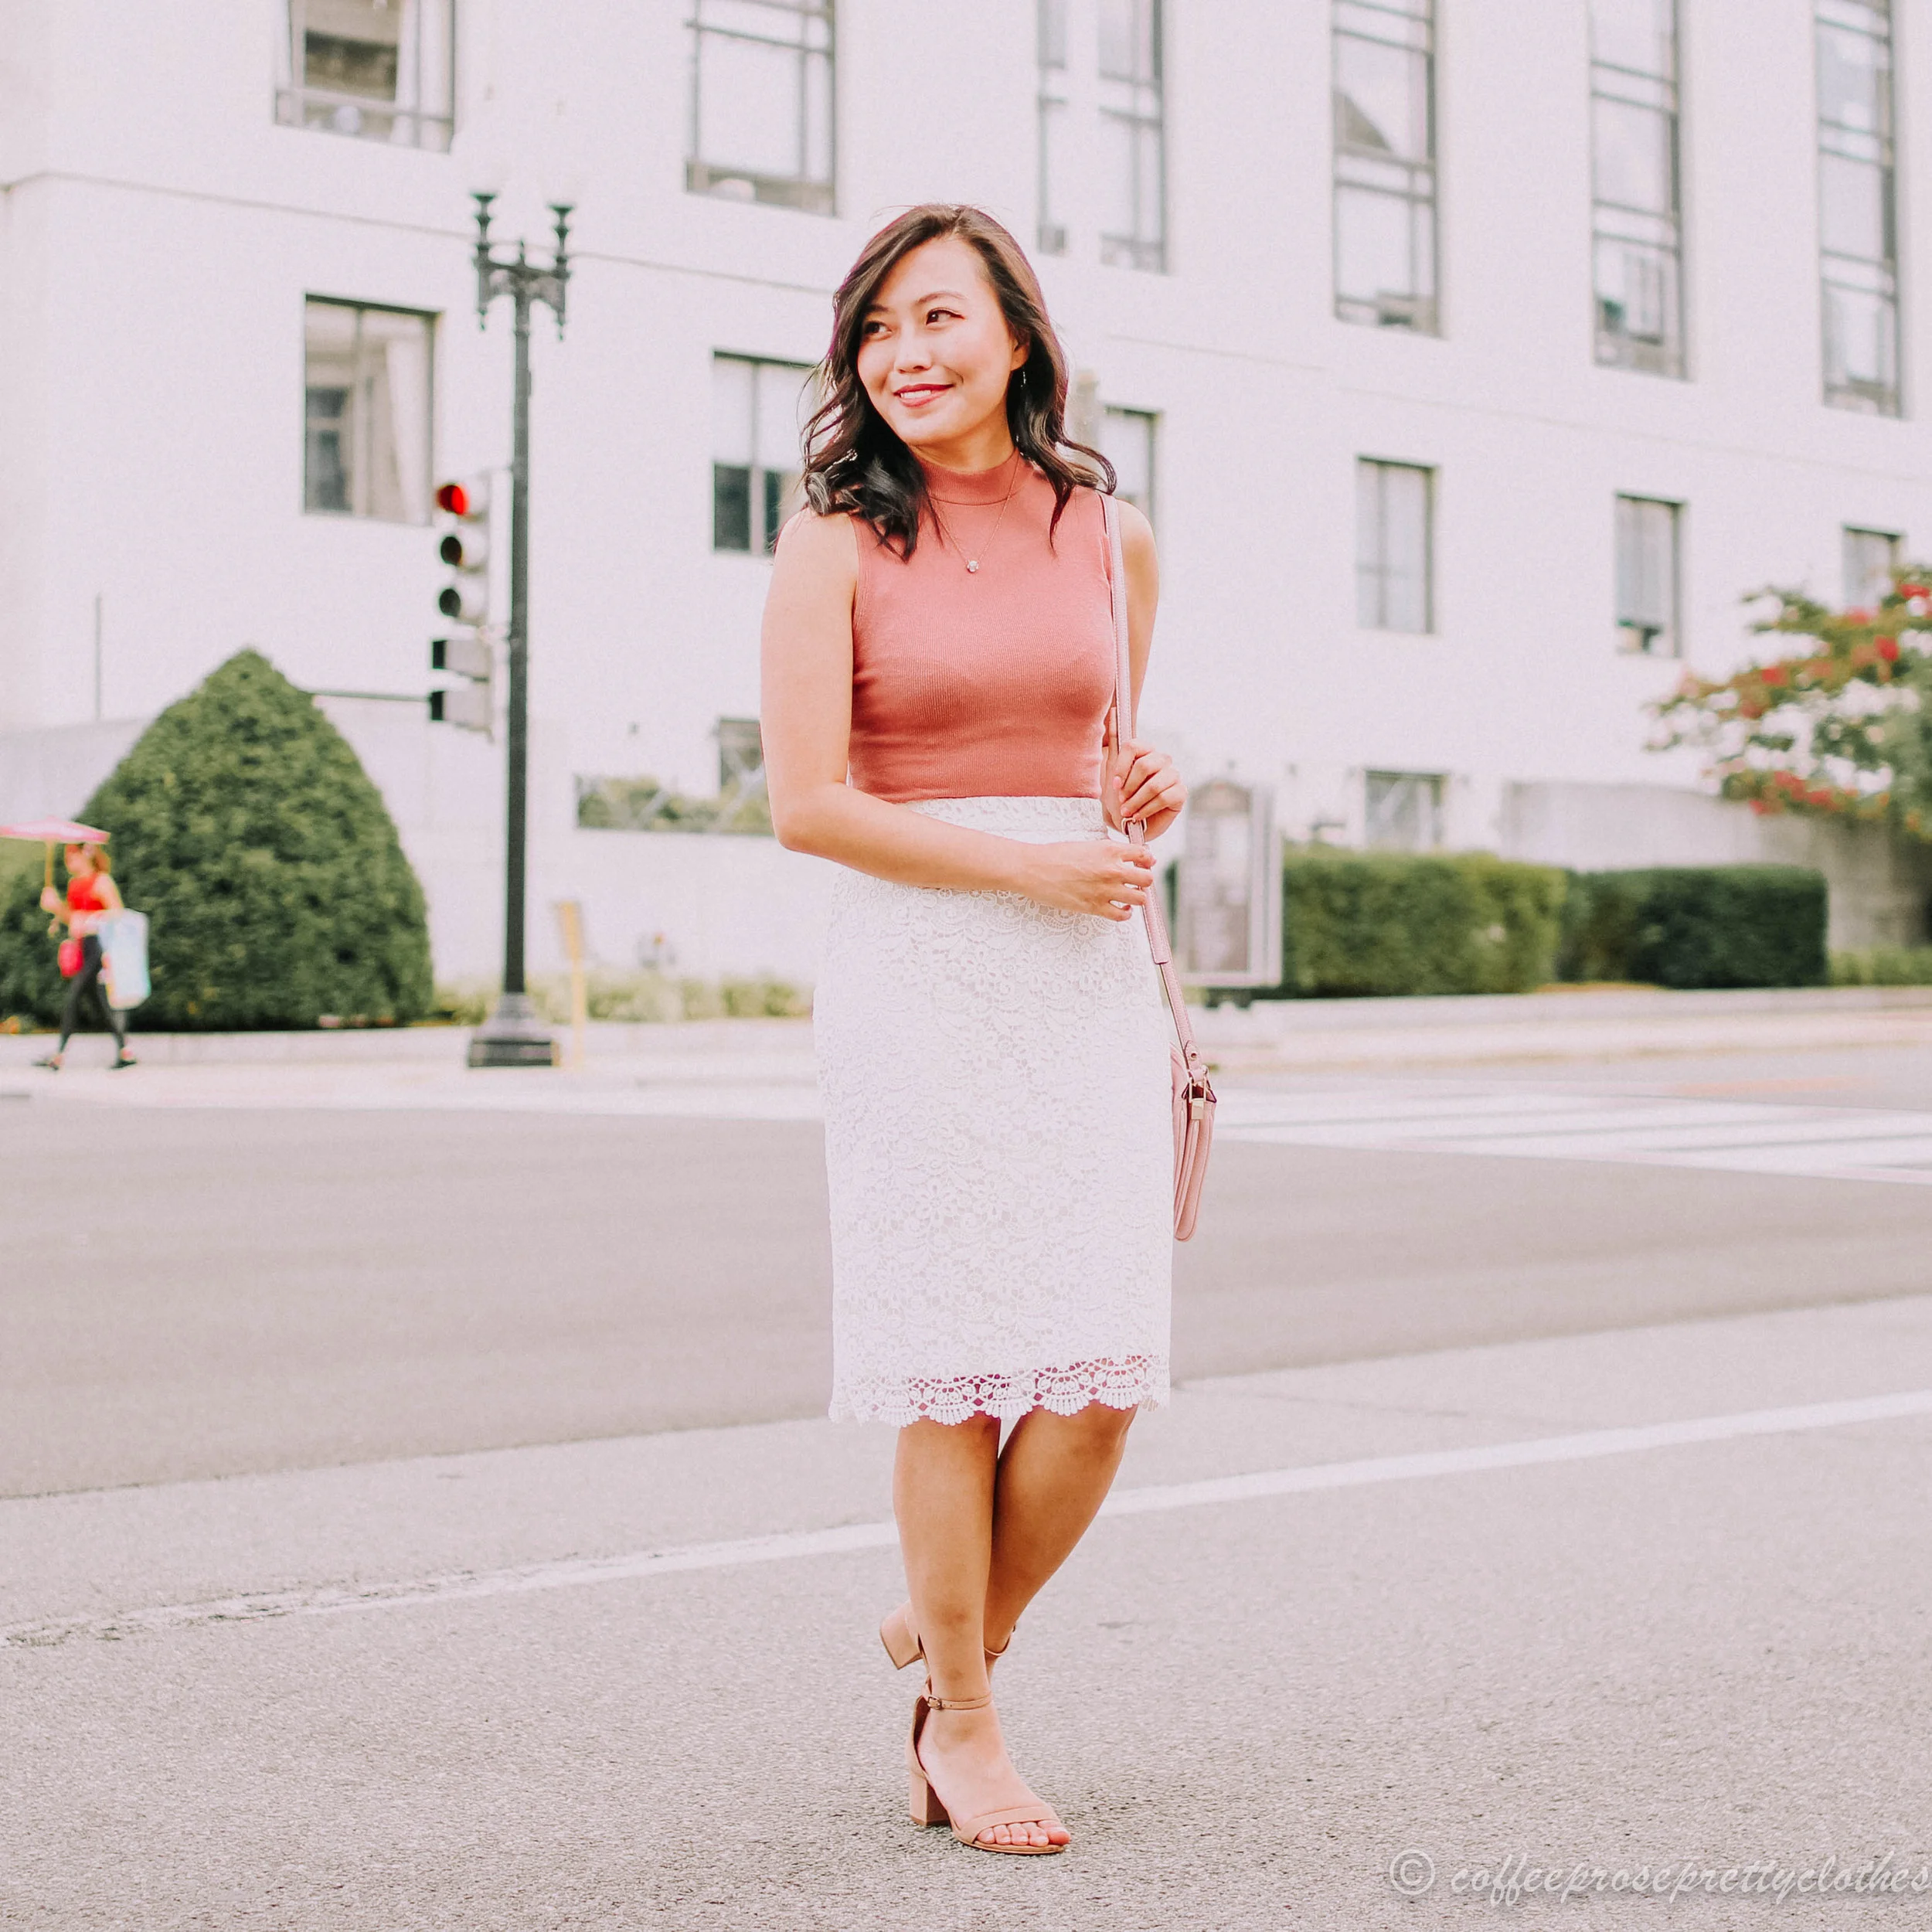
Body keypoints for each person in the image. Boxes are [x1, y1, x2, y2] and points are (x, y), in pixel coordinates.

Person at [760, 205, 1185, 1855]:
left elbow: (1104, 751)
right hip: (918, 970)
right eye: (875, 329)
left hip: (1079, 970)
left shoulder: (1108, 531)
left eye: (936, 317)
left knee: (1095, 1377)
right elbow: (807, 804)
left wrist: (1144, 791)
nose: (904, 355)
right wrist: (1018, 861)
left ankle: (942, 1629)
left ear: (1017, 333)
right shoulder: (832, 537)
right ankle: (966, 1712)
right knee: (951, 1371)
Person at [35, 842, 136, 1070]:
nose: (69, 862)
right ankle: (125, 1050)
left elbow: (117, 915)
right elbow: (72, 917)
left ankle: (59, 1055)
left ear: (85, 855)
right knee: (99, 1002)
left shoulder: (102, 881)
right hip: (85, 947)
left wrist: (89, 919)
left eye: (72, 856)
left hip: (100, 946)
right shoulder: (74, 884)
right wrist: (55, 908)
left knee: (74, 996)